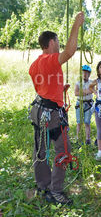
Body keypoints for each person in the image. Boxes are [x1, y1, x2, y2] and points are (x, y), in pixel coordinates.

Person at [29, 12, 84, 205]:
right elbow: (69, 52)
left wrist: (60, 89)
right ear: (51, 42)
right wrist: (76, 25)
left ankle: (43, 186)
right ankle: (56, 191)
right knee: (63, 150)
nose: (60, 44)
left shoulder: (35, 65)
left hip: (39, 110)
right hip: (51, 114)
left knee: (40, 151)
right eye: (58, 40)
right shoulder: (49, 59)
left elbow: (42, 89)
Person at [74, 65, 93, 144]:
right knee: (79, 122)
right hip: (80, 103)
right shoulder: (78, 83)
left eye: (86, 73)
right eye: (83, 73)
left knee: (87, 122)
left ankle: (88, 138)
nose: (84, 75)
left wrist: (82, 92)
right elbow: (76, 93)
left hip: (88, 103)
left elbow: (91, 90)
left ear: (89, 74)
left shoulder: (91, 83)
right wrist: (85, 91)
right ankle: (78, 138)